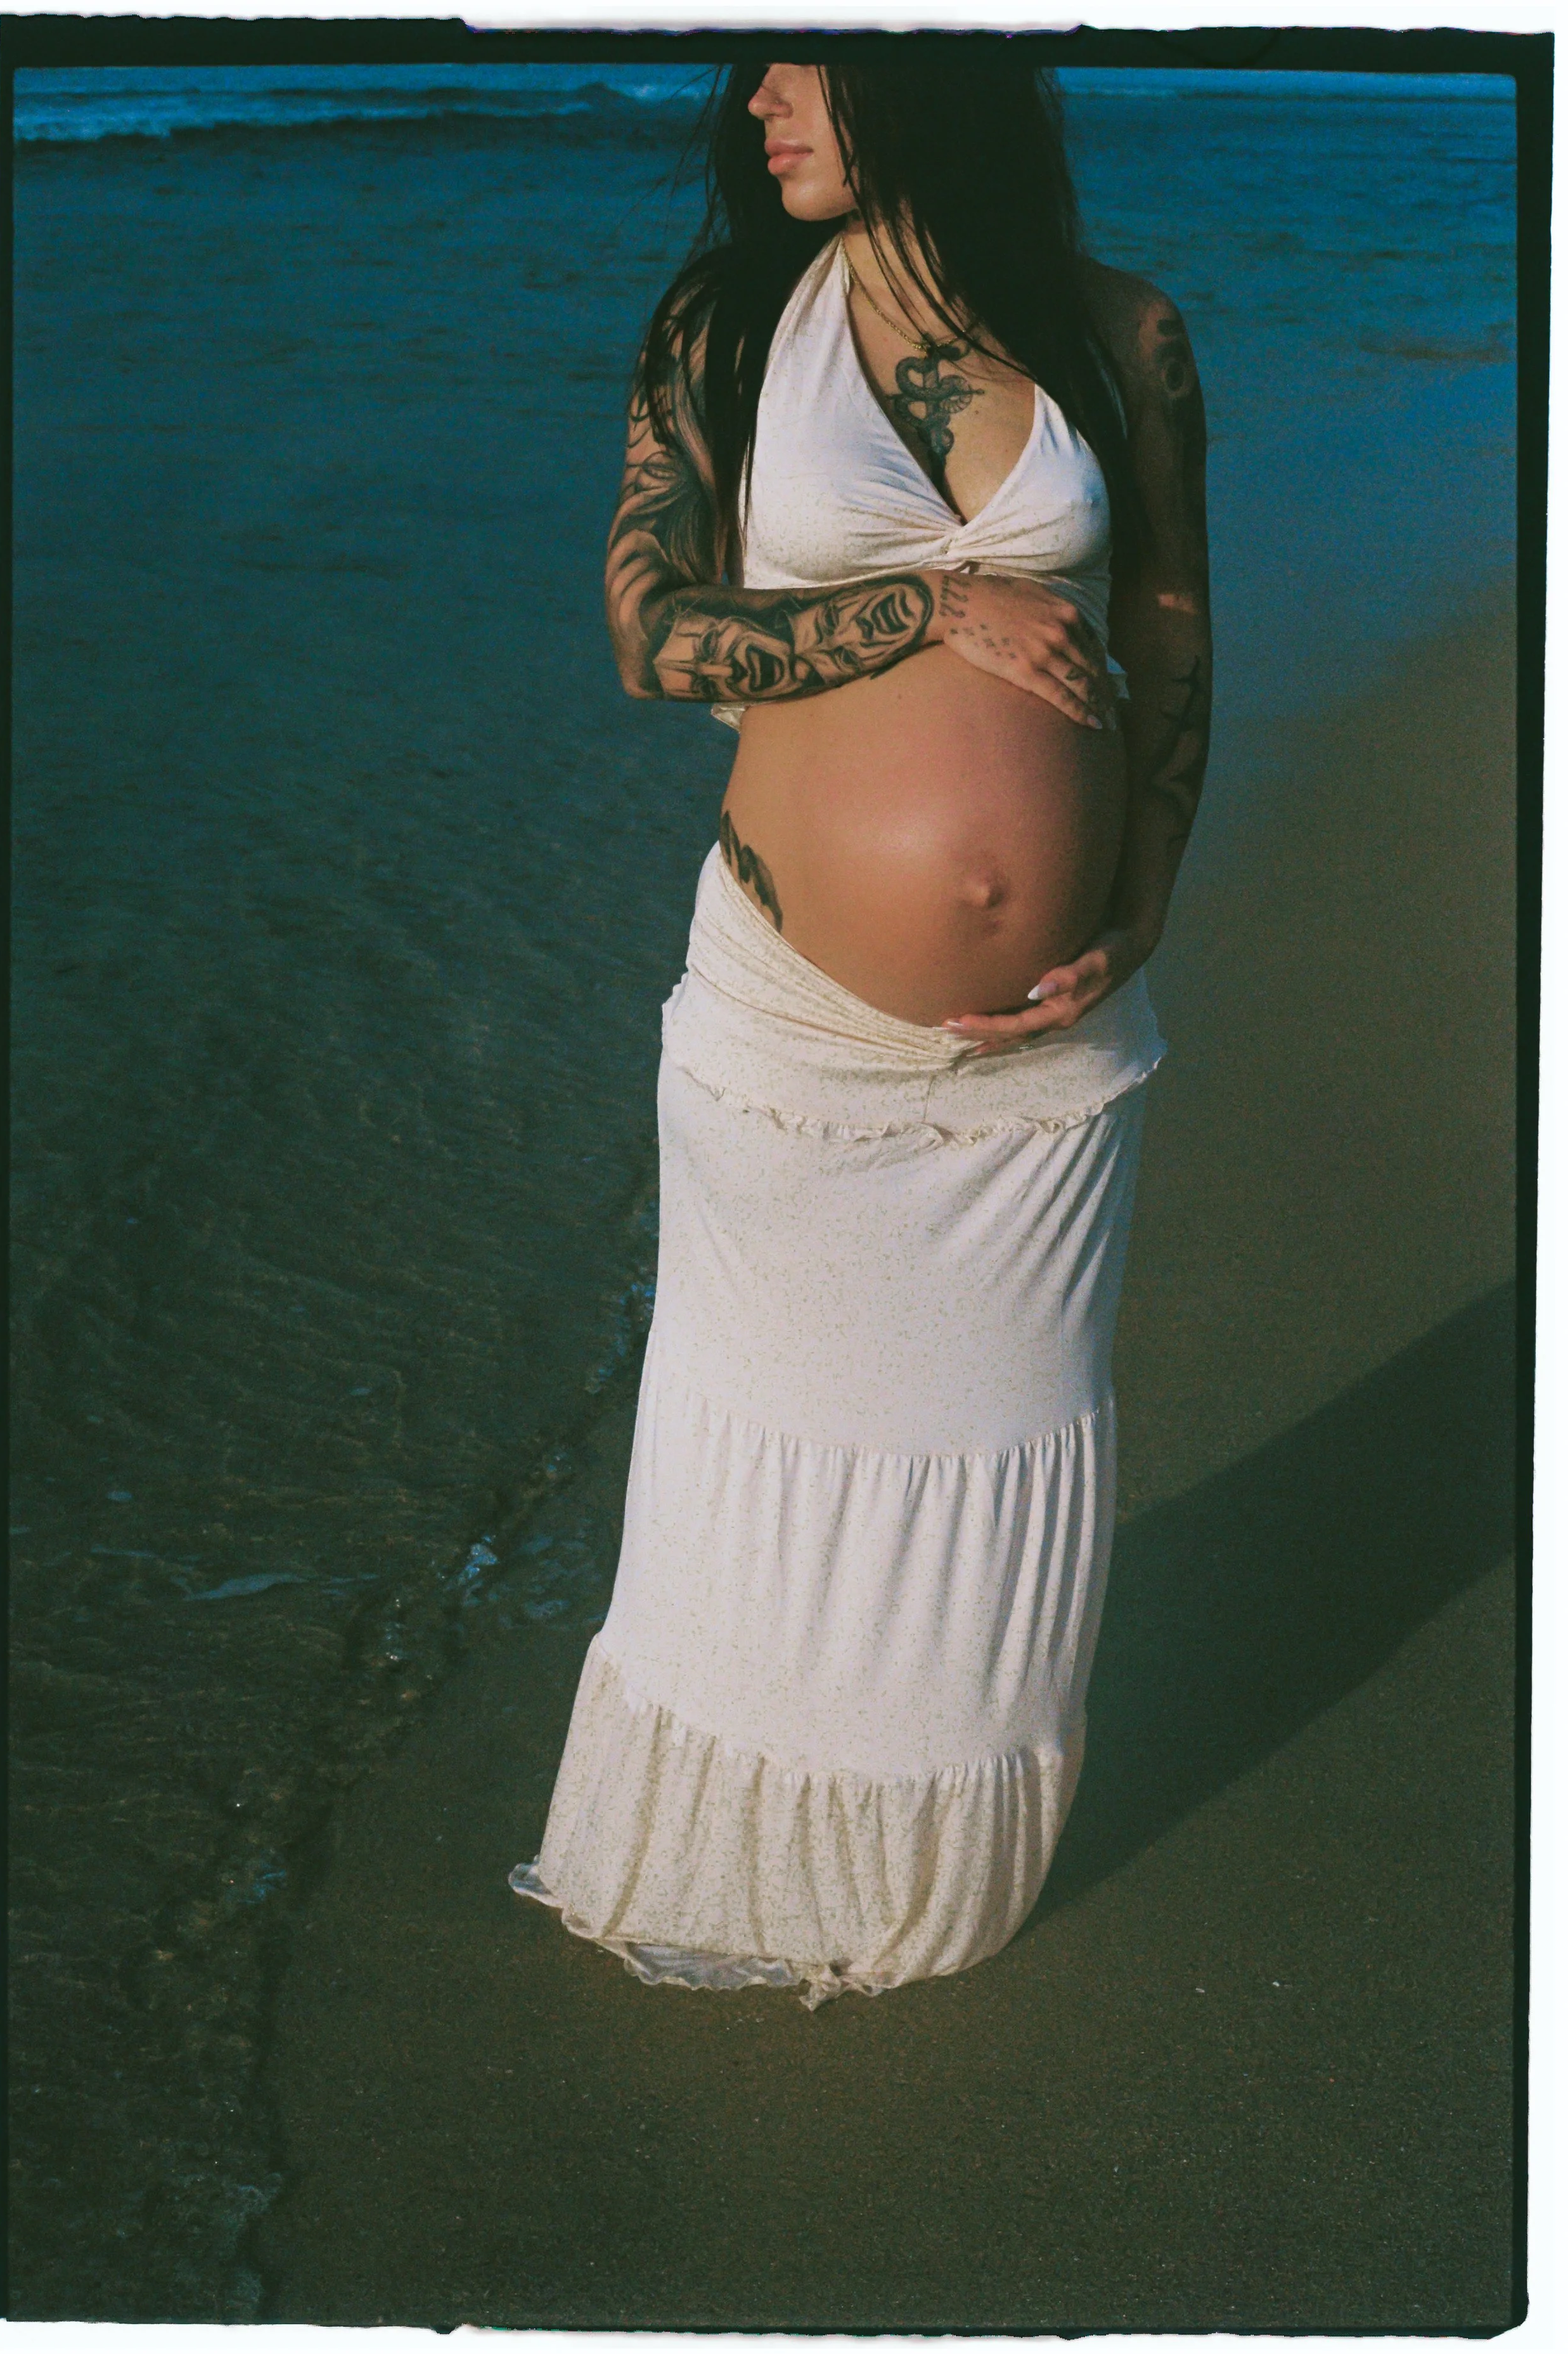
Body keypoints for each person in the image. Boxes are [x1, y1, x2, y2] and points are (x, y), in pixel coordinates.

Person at [513, 55, 1211, 2007]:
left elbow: (1167, 627)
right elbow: (653, 634)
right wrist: (921, 614)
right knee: (760, 1448)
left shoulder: (1117, 331)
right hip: (791, 1035)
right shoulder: (725, 325)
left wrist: (1142, 890)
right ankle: (737, 1859)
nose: (755, 108)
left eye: (797, 63)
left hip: (1044, 1067)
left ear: (924, 66)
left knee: (990, 1446)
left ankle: (918, 1879)